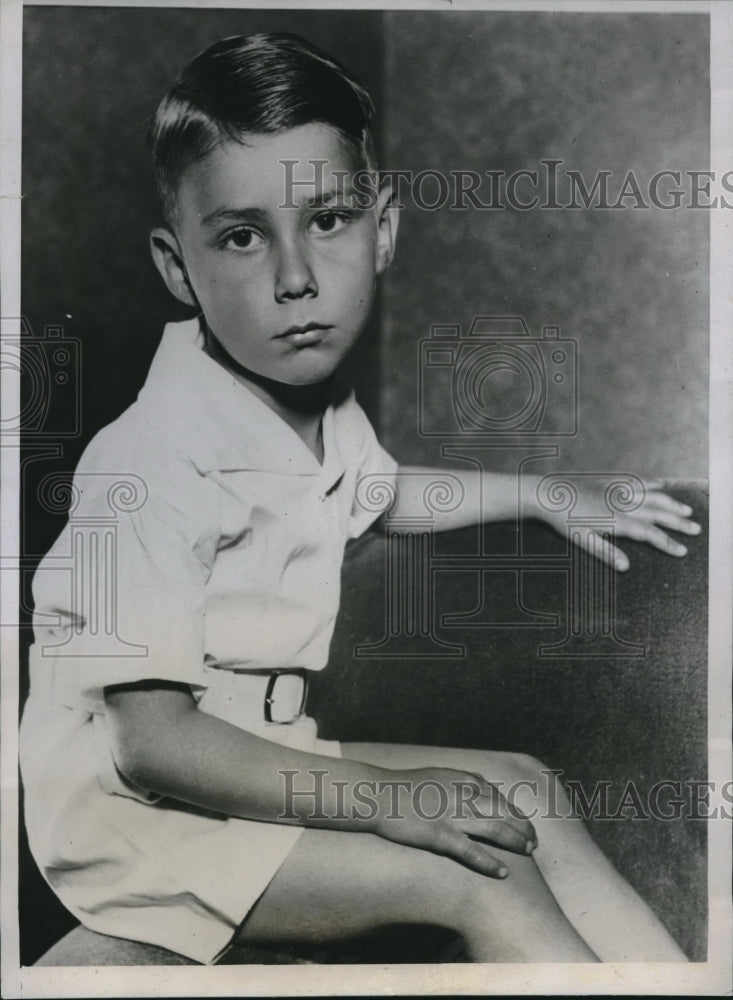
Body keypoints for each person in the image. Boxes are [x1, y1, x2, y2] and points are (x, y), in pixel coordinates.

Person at [20, 32, 699, 966]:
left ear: (381, 231)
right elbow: (153, 745)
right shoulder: (145, 461)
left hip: (260, 763)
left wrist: (545, 493)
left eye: (327, 220)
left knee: (523, 790)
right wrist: (393, 797)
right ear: (179, 268)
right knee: (470, 864)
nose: (295, 277)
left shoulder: (311, 415)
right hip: (140, 815)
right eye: (243, 236)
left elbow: (382, 495)